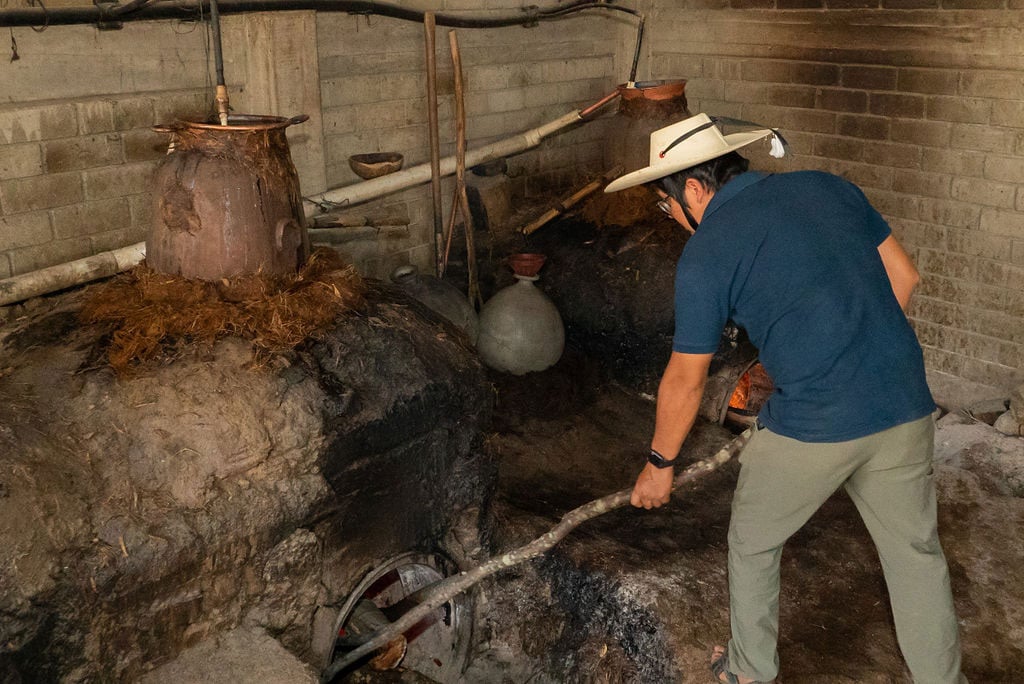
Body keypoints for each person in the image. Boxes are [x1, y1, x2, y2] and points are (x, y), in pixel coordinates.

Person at [604, 113, 967, 684]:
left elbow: (684, 379)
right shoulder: (828, 186)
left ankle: (748, 671)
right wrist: (850, 349)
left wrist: (659, 465)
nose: (670, 216)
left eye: (664, 204)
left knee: (752, 542)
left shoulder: (707, 253)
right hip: (905, 402)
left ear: (694, 190)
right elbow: (904, 277)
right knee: (915, 556)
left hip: (817, 423)